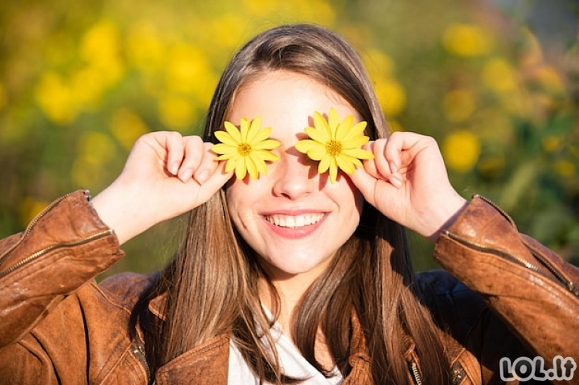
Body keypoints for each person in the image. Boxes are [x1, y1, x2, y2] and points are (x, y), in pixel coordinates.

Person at [0, 24, 577, 385]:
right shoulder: (111, 333)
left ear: (369, 156)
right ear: (221, 164)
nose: (293, 185)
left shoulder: (457, 334)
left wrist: (452, 221)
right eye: (259, 150)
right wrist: (116, 211)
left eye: (321, 149)